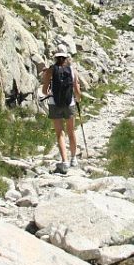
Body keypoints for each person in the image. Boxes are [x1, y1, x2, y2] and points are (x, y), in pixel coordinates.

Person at [41, 45, 82, 173]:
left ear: (55, 57)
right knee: (71, 131)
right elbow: (76, 89)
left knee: (60, 133)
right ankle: (74, 158)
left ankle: (64, 161)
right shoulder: (72, 70)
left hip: (54, 103)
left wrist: (49, 91)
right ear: (66, 57)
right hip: (69, 103)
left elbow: (44, 90)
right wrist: (78, 98)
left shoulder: (50, 70)